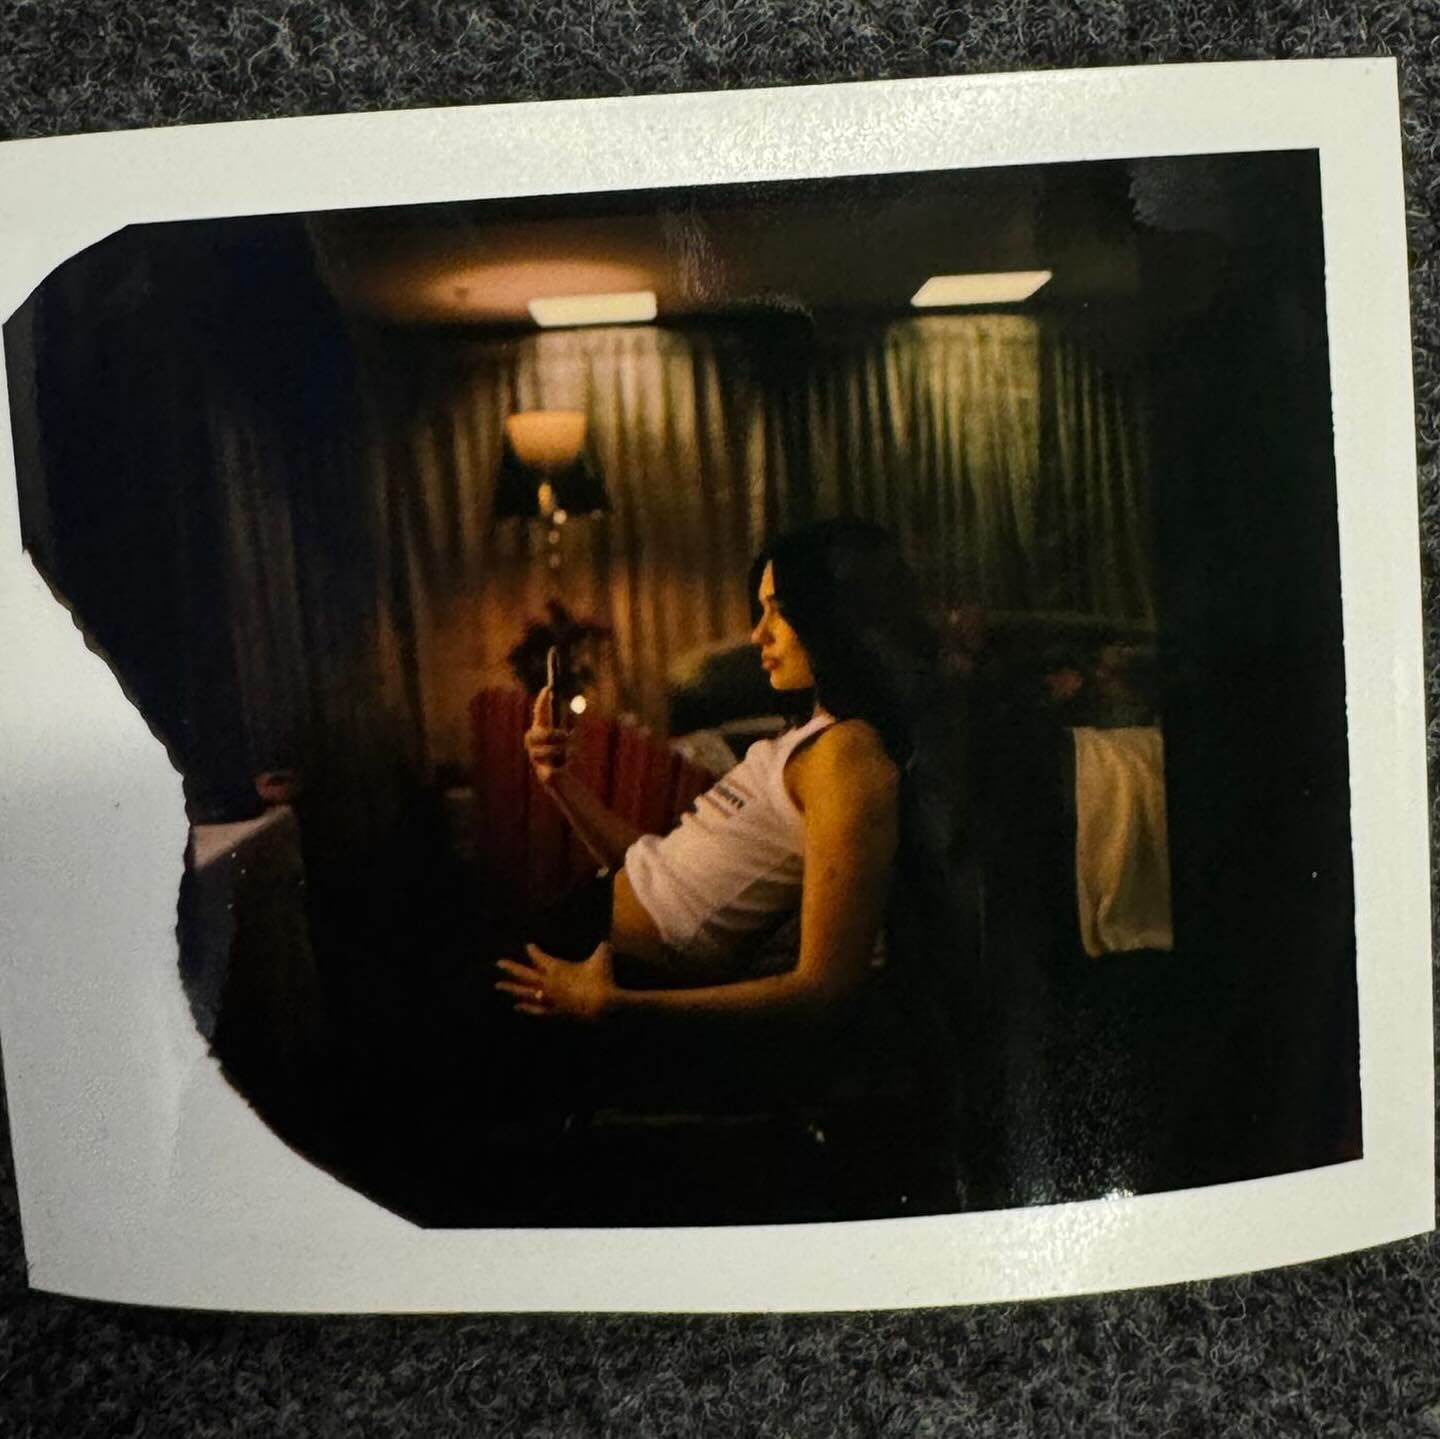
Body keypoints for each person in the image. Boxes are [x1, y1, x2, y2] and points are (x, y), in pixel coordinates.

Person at [494, 518, 937, 1027]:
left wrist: (614, 1004)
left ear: (833, 615)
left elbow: (825, 986)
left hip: (615, 970)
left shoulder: (849, 758)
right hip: (587, 925)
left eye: (779, 611)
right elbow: (659, 875)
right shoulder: (811, 733)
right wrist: (559, 781)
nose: (757, 632)